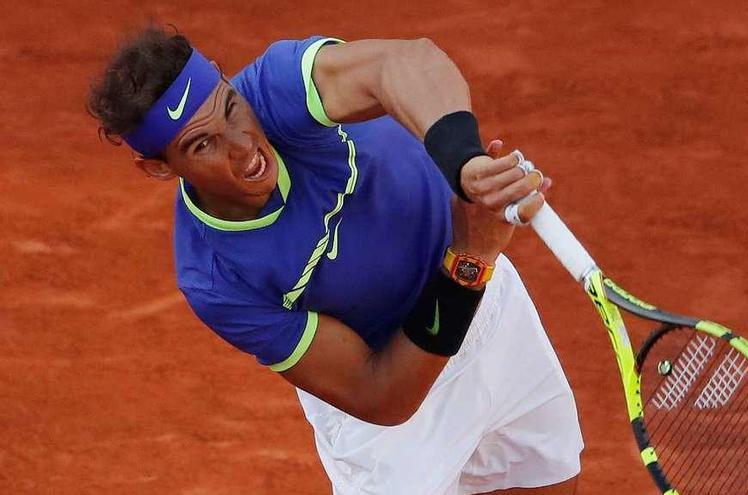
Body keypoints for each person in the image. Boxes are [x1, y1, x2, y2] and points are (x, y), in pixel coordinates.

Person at [88, 25, 583, 495]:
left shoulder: (276, 89)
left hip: (491, 314)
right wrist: (471, 256)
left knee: (548, 482)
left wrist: (465, 163)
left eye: (231, 108)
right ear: (157, 167)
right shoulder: (216, 278)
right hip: (400, 409)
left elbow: (404, 62)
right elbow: (380, 394)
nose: (244, 147)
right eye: (202, 144)